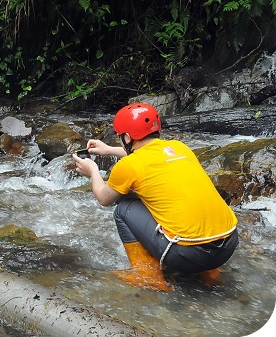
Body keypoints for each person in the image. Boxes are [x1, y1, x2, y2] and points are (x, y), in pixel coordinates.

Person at [72, 103, 238, 291]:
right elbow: (146, 154)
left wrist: (92, 170)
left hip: (188, 255)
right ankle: (210, 273)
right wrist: (109, 150)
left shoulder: (129, 166)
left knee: (123, 207)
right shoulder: (179, 148)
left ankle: (147, 274)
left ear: (127, 137)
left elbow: (103, 198)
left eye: (120, 137)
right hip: (228, 245)